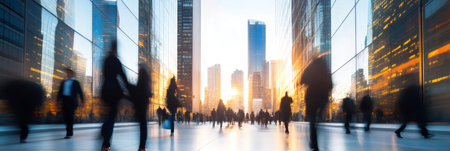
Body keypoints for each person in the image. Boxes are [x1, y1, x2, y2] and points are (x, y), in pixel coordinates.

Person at [100, 40, 130, 151]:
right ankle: (106, 145)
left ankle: (103, 132)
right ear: (116, 49)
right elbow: (123, 76)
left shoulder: (106, 60)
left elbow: (104, 73)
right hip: (113, 92)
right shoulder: (116, 61)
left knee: (108, 115)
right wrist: (130, 91)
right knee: (111, 117)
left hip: (105, 90)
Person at [300, 56, 333, 151]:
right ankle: (318, 117)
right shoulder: (326, 70)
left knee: (312, 120)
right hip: (322, 96)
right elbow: (330, 85)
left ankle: (313, 141)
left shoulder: (311, 67)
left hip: (311, 96)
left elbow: (302, 79)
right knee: (317, 118)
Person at [0, 79, 44, 143]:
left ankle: (23, 132)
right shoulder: (14, 88)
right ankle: (23, 134)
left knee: (22, 118)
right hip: (26, 100)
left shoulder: (12, 89)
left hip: (25, 100)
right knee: (23, 118)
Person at [129, 65, 152, 151]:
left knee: (142, 126)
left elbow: (136, 93)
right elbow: (148, 93)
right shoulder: (146, 83)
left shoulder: (140, 83)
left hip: (139, 106)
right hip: (143, 106)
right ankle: (142, 147)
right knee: (143, 126)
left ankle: (142, 147)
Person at [57, 68, 85, 139]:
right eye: (67, 73)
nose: (68, 74)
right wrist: (57, 101)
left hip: (72, 101)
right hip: (64, 101)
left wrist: (82, 101)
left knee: (70, 116)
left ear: (73, 75)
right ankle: (69, 130)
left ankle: (69, 133)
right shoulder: (63, 82)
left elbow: (80, 92)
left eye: (69, 73)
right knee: (65, 117)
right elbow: (60, 92)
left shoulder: (76, 82)